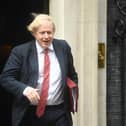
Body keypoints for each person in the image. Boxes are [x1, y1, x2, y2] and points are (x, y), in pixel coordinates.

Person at [0, 13, 78, 126]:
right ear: (34, 33)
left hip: (60, 112)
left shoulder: (63, 47)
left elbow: (72, 75)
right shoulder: (21, 51)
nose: (46, 36)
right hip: (31, 112)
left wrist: (72, 93)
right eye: (42, 33)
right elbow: (5, 78)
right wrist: (25, 89)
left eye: (49, 32)